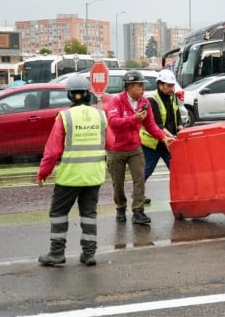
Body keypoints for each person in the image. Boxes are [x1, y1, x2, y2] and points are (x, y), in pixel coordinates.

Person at [36, 74, 108, 267]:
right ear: (88, 94)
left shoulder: (65, 117)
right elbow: (112, 142)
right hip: (94, 175)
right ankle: (89, 254)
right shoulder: (101, 115)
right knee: (89, 215)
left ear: (69, 95)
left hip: (69, 177)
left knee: (59, 213)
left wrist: (43, 173)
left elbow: (52, 151)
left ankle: (57, 253)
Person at [106, 73, 172, 225]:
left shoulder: (144, 102)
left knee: (139, 179)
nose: (143, 88)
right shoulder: (116, 101)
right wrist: (133, 119)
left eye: (143, 85)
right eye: (139, 85)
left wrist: (163, 137)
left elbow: (151, 125)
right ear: (129, 87)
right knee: (118, 182)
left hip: (135, 147)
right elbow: (113, 122)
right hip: (116, 148)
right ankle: (120, 208)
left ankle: (138, 211)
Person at [141, 70, 182, 184]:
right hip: (153, 143)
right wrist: (171, 136)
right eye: (169, 86)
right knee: (147, 169)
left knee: (176, 169)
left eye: (173, 86)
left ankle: (181, 195)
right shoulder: (152, 99)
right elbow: (157, 124)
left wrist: (181, 129)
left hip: (168, 142)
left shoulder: (172, 96)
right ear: (160, 85)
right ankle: (137, 193)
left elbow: (177, 115)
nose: (171, 88)